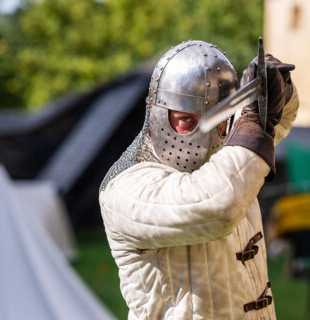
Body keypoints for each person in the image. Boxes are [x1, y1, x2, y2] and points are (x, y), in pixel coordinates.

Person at [99, 40, 299, 319]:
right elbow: (216, 204)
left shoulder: (232, 155)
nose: (202, 132)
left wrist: (277, 90)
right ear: (156, 111)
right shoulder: (125, 189)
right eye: (185, 119)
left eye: (218, 117)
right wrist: (253, 123)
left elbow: (276, 123)